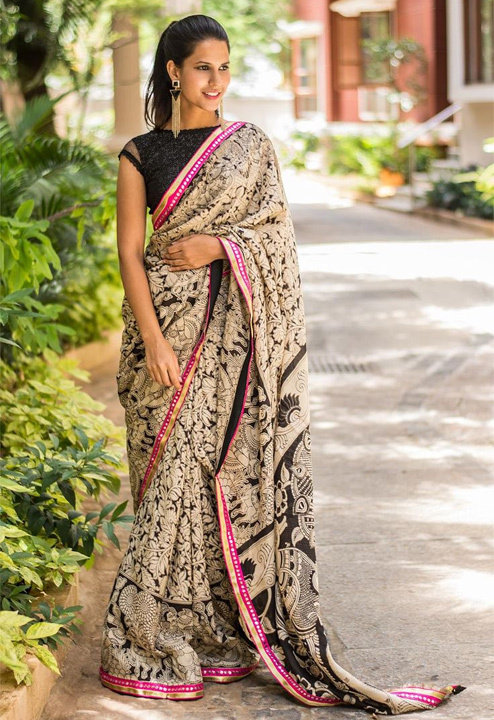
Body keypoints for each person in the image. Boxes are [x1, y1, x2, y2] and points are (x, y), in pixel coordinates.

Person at [99, 14, 465, 715]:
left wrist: (215, 247)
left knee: (213, 480)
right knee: (167, 481)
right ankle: (159, 626)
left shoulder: (249, 147)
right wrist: (157, 341)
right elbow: (127, 253)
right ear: (174, 71)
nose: (217, 82)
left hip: (237, 341)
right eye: (204, 68)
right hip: (167, 337)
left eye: (226, 68)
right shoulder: (139, 154)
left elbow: (273, 239)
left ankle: (209, 625)